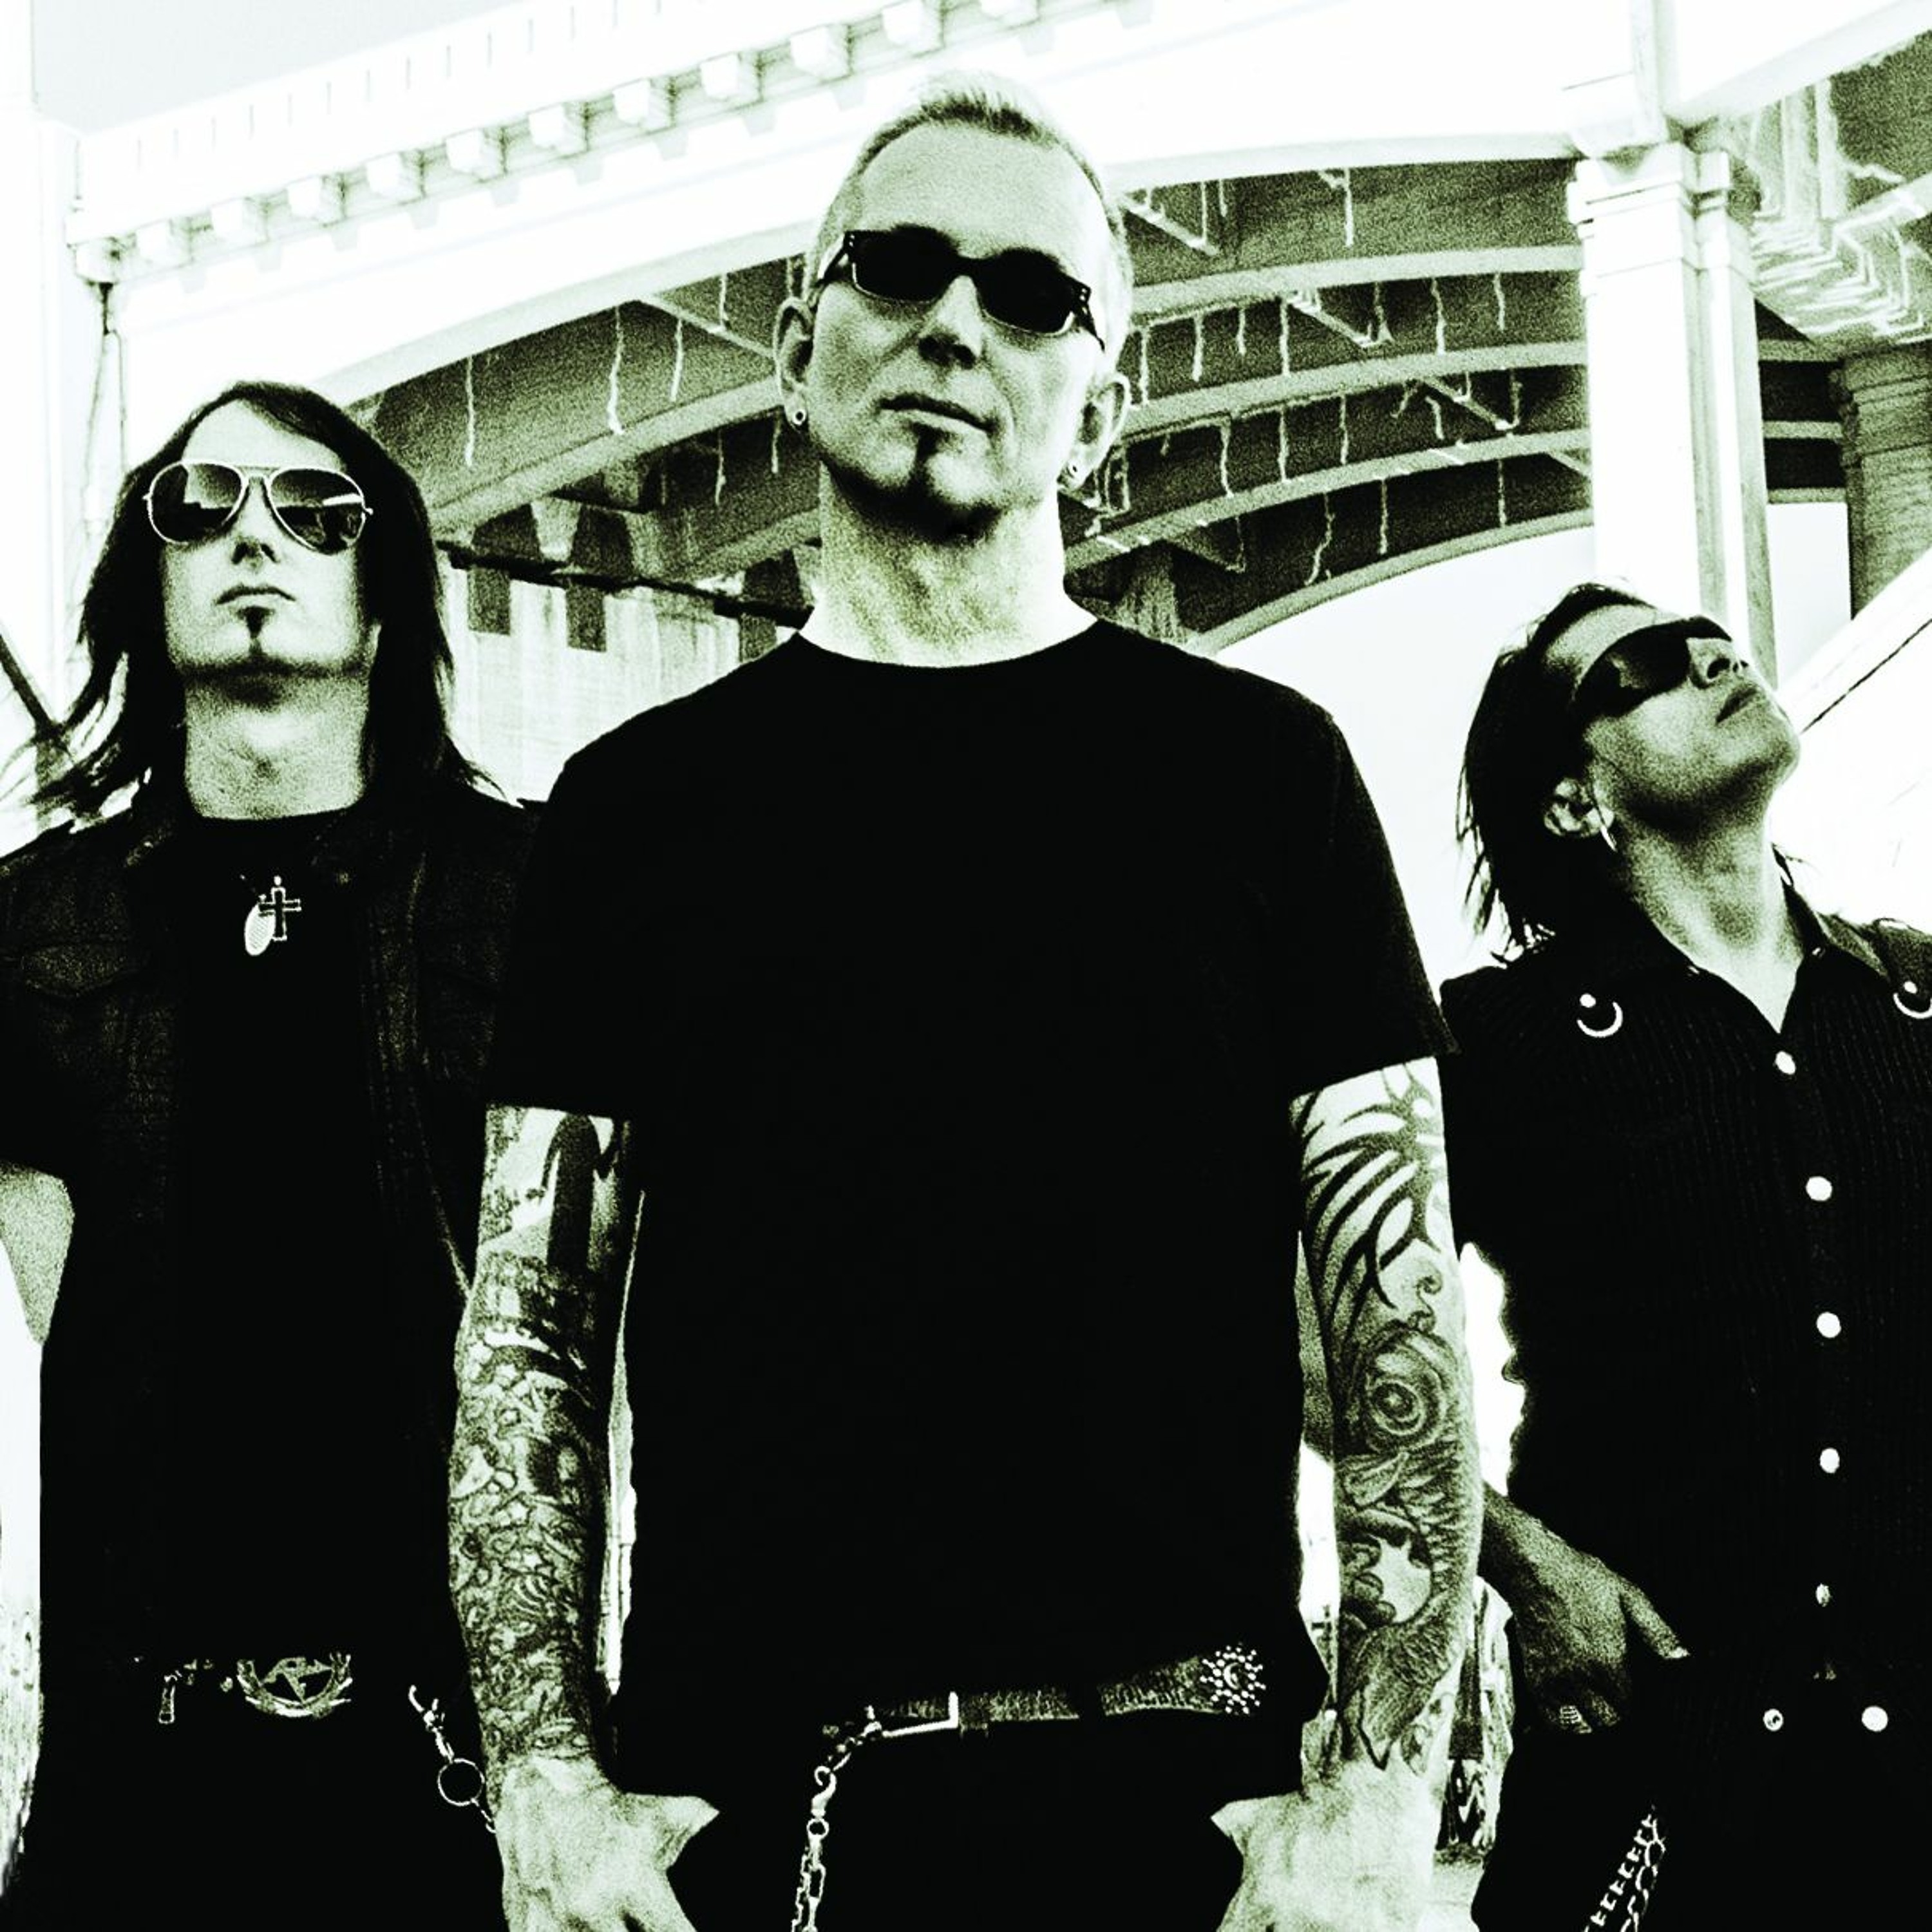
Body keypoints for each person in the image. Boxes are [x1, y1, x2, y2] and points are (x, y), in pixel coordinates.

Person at [452, 75, 1481, 1932]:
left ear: (1105, 405)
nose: (954, 324)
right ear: (795, 348)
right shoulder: (632, 809)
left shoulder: (1266, 776)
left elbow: (1398, 1318)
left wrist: (1385, 1795)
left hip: (1195, 1815)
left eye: (1029, 294)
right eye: (901, 267)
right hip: (753, 1819)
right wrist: (546, 1789)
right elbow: (531, 1334)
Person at [0, 381, 533, 1926]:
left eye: (315, 510)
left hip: (462, 1768)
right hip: (138, 1776)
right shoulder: (34, 930)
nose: (255, 537)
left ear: (385, 595)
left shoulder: (531, 897)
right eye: (202, 503)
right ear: (148, 578)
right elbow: (69, 1332)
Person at [1442, 583, 1932, 1927]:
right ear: (1572, 798)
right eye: (1647, 667)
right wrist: (1517, 1559)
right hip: (1662, 1775)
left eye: (1719, 644)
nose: (1716, 659)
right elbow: (1287, 1321)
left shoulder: (1916, 999)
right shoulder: (1503, 1042)